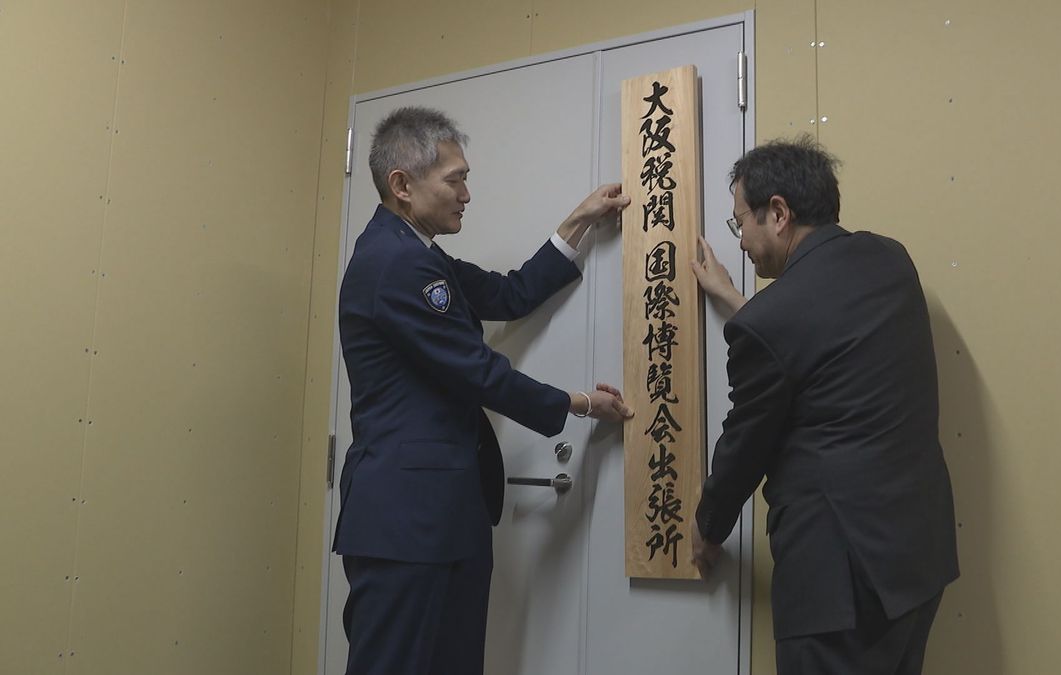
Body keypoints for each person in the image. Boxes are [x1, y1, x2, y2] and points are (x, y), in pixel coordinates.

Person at [334, 106, 632, 675]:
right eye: (455, 179)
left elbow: (510, 293)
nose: (467, 193)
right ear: (402, 185)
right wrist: (584, 403)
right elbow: (480, 373)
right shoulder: (393, 264)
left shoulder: (418, 252)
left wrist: (581, 220)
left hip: (446, 515)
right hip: (405, 522)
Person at [689, 136, 959, 673]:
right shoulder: (890, 260)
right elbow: (824, 345)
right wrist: (738, 306)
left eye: (739, 221)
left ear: (779, 213)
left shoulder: (773, 321)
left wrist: (706, 526)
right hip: (916, 560)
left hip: (840, 584)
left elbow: (746, 444)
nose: (740, 240)